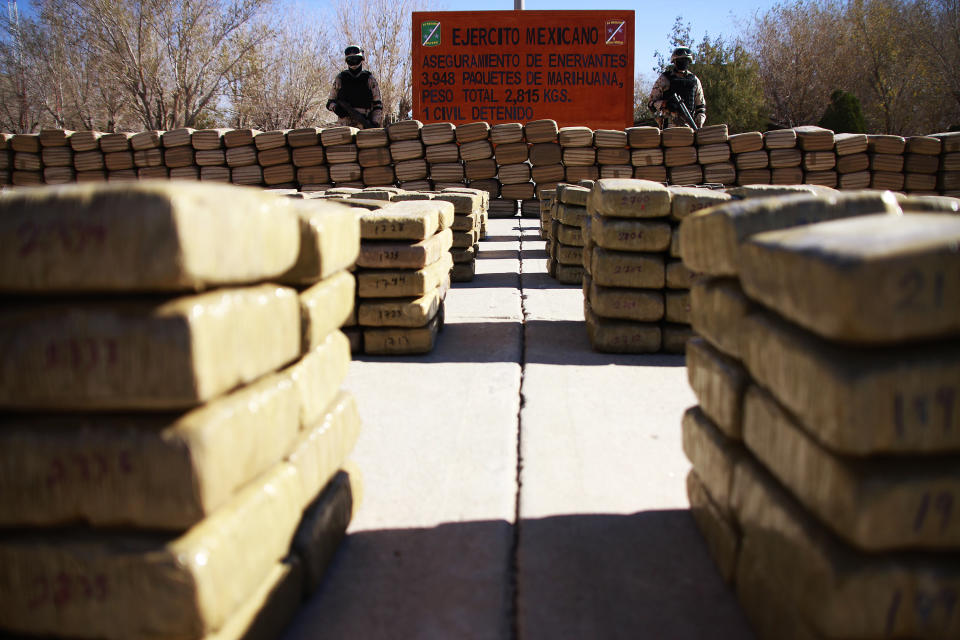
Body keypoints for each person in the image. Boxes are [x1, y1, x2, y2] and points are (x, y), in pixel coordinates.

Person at [326, 45, 384, 129]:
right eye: (350, 60)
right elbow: (330, 102)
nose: (353, 62)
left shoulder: (369, 78)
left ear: (361, 59)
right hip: (345, 126)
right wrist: (336, 108)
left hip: (364, 124)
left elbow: (377, 104)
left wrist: (375, 123)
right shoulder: (340, 78)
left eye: (356, 59)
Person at [648, 46, 707, 129]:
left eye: (685, 60)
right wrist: (665, 104)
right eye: (680, 60)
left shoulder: (694, 80)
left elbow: (701, 107)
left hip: (689, 127)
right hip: (669, 126)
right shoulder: (665, 79)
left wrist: (699, 123)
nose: (683, 62)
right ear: (674, 61)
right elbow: (651, 104)